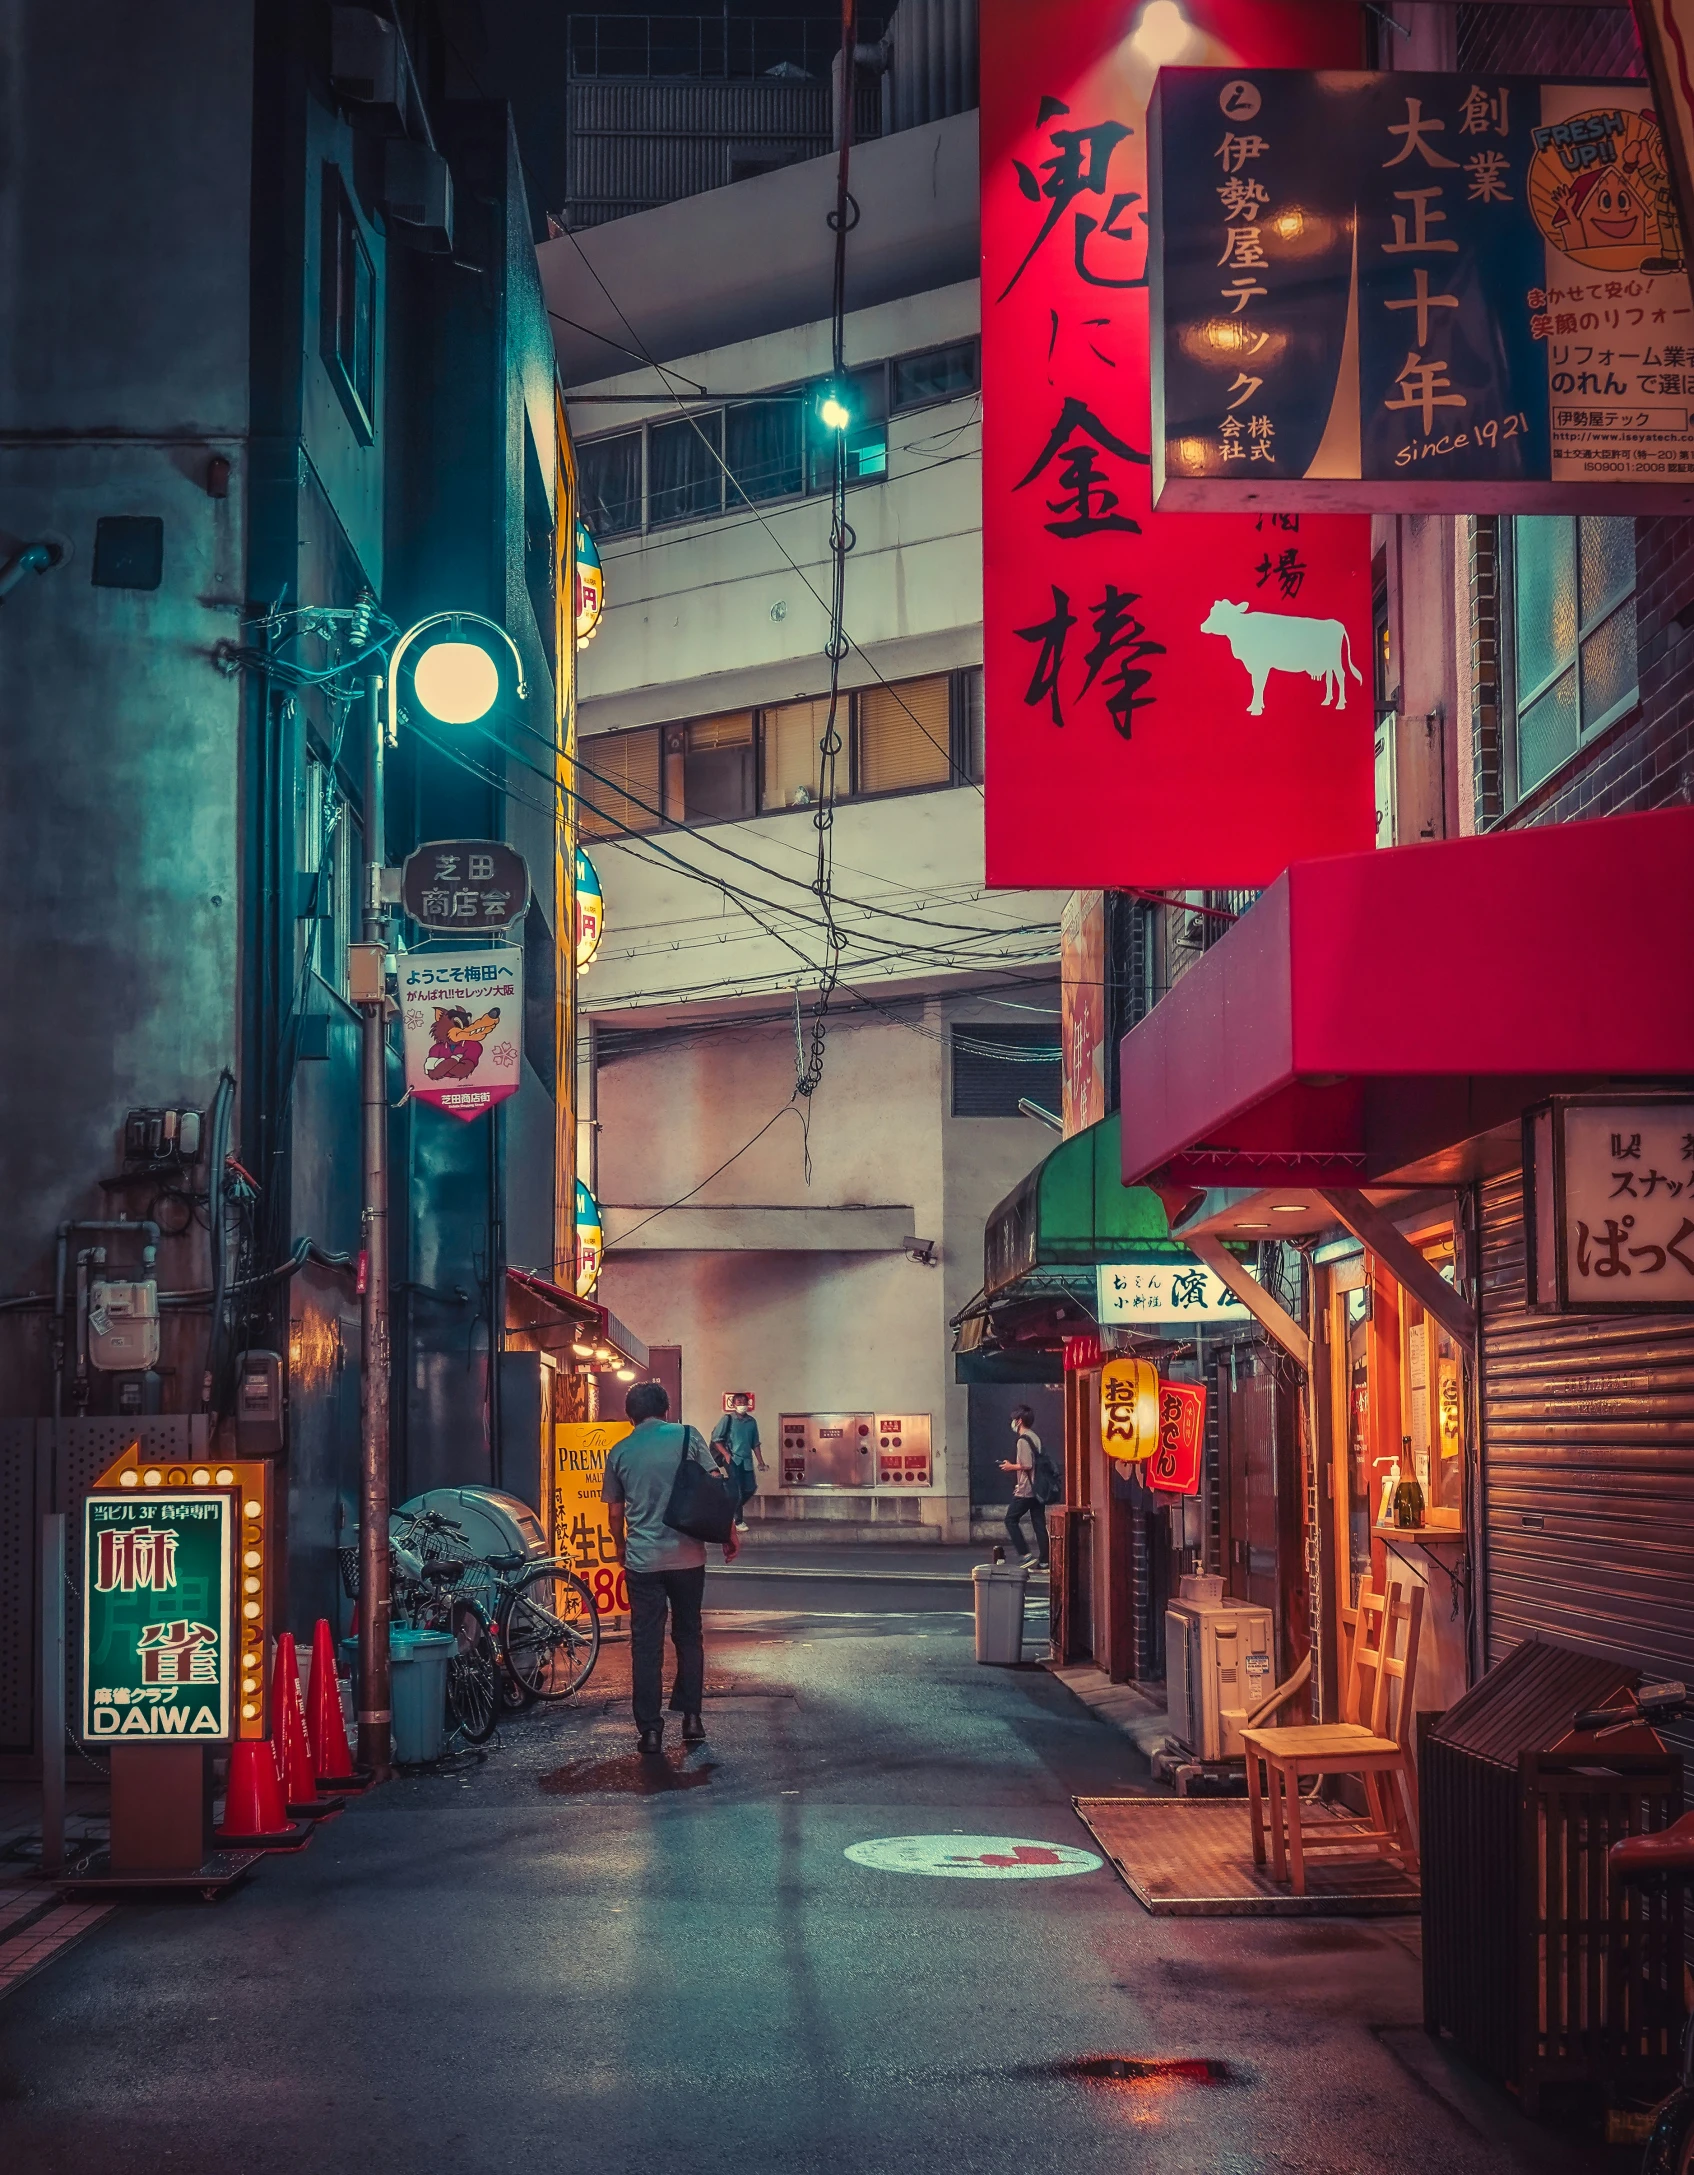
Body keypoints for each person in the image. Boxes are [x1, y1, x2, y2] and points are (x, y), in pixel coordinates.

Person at [603, 1379, 739, 1754]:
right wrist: (729, 1533)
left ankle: (650, 1729)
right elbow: (714, 1487)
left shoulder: (619, 1451)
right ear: (665, 1410)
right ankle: (692, 1718)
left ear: (631, 1416)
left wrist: (620, 1547)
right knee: (688, 1635)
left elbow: (615, 1514)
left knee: (646, 1644)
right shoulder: (686, 1435)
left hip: (643, 1562)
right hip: (688, 1557)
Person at [1000, 1404, 1049, 1570]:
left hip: (1027, 1490)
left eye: (1014, 1419)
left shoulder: (1023, 1440)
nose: (1013, 1423)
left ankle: (1025, 1554)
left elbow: (1026, 1465)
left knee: (1010, 1519)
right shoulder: (1034, 1437)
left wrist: (1010, 1466)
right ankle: (1045, 1560)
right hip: (1038, 1488)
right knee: (1039, 1523)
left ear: (1019, 1421)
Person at [709, 1391, 766, 1531]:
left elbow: (755, 1444)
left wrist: (761, 1462)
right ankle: (738, 1521)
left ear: (748, 1404)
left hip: (746, 1461)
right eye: (739, 1402)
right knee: (737, 1491)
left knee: (750, 1488)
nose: (742, 1405)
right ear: (733, 1404)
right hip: (732, 1460)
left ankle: (729, 1510)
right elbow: (717, 1439)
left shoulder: (752, 1422)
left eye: (744, 1402)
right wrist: (726, 1454)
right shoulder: (728, 1419)